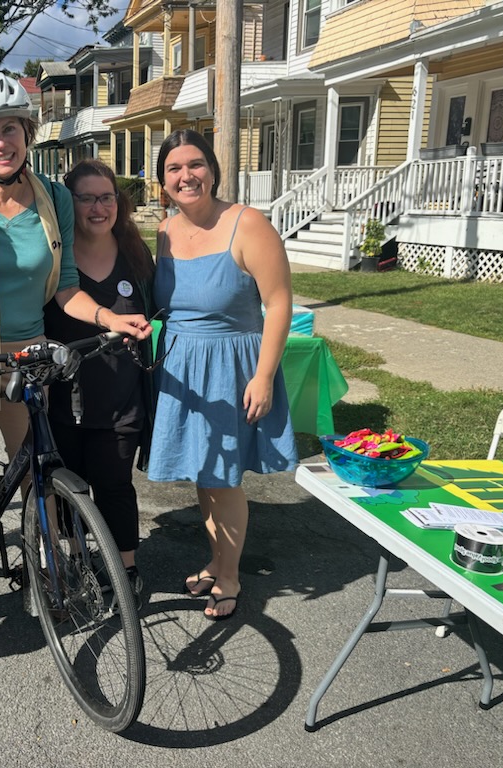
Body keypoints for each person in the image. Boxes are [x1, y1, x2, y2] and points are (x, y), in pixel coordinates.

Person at [0, 72, 151, 664]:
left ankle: (48, 570)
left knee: (43, 466)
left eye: (8, 129)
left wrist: (109, 318)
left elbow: (65, 288)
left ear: (26, 132)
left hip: (26, 351)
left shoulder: (55, 198)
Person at [150, 129, 297, 621]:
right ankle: (216, 561)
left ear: (212, 170)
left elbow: (278, 305)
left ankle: (230, 576)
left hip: (232, 368)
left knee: (225, 478)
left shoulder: (248, 223)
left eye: (195, 164)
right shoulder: (165, 231)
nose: (185, 175)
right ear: (162, 181)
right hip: (181, 368)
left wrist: (263, 376)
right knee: (203, 473)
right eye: (173, 168)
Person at [43, 159, 155, 606]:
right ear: (70, 205)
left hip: (121, 397)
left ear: (118, 202)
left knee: (113, 484)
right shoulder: (55, 257)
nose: (97, 206)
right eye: (86, 198)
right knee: (69, 485)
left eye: (106, 196)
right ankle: (79, 558)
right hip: (63, 395)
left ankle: (125, 569)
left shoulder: (134, 253)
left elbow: (161, 312)